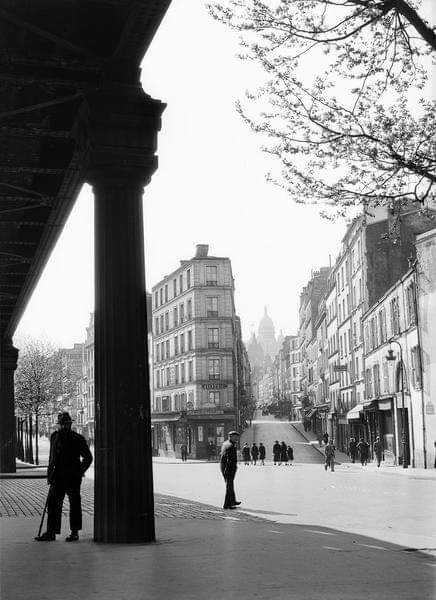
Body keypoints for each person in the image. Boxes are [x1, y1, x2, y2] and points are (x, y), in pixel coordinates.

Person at [35, 412, 92, 542]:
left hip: (72, 477)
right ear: (60, 425)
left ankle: (74, 532)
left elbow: (88, 458)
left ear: (70, 424)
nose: (64, 426)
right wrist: (49, 475)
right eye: (63, 424)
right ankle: (51, 532)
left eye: (67, 424)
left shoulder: (78, 438)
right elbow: (52, 458)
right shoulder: (54, 437)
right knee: (53, 504)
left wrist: (79, 471)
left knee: (75, 504)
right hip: (58, 477)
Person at [220, 431, 241, 509]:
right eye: (235, 437)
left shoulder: (225, 443)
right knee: (229, 486)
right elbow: (229, 459)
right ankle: (227, 504)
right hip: (229, 467)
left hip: (224, 466)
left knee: (230, 484)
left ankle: (233, 500)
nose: (237, 438)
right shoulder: (230, 446)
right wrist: (230, 469)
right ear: (231, 437)